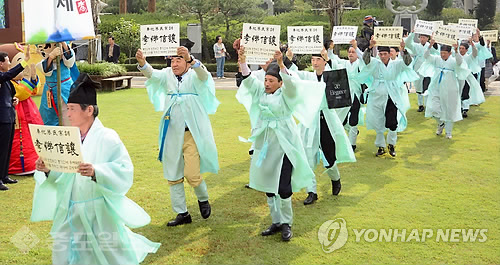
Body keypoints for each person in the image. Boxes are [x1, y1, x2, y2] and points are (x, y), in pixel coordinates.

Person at [31, 73, 160, 264]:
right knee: (64, 253)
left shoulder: (108, 137)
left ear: (89, 110)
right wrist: (48, 168)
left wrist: (96, 171)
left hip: (97, 211)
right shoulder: (69, 138)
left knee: (106, 254)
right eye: (68, 109)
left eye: (72, 109)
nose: (68, 114)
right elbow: (63, 174)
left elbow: (124, 169)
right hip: (70, 208)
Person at [237, 48, 325, 241]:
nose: (267, 84)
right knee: (269, 185)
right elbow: (249, 80)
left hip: (285, 143)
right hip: (265, 142)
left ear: (280, 83)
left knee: (283, 187)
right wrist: (242, 61)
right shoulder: (261, 91)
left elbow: (293, 86)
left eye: (271, 81)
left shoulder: (286, 95)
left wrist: (282, 64)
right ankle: (276, 221)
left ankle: (286, 223)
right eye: (266, 80)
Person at [136, 43, 219, 227]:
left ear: (187, 61)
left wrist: (191, 59)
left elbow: (204, 75)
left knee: (192, 174)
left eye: (178, 59)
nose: (174, 64)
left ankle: (203, 199)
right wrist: (143, 63)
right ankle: (182, 213)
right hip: (171, 133)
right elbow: (152, 74)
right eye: (172, 60)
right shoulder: (167, 75)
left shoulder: (195, 75)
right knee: (173, 175)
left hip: (191, 135)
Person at [284, 45, 356, 205]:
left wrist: (329, 59)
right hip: (310, 120)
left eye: (318, 59)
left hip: (327, 121)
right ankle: (312, 191)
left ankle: (335, 179)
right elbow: (291, 75)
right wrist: (287, 60)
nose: (315, 63)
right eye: (313, 59)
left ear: (324, 61)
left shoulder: (330, 76)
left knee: (330, 157)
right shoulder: (307, 77)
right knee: (308, 155)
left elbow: (339, 79)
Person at [361, 37, 416, 157]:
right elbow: (365, 60)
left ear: (390, 54)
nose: (383, 56)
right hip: (376, 95)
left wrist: (404, 50)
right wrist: (370, 47)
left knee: (392, 122)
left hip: (391, 94)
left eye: (385, 54)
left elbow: (407, 62)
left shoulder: (396, 64)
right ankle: (380, 146)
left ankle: (391, 144)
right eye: (380, 54)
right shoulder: (375, 63)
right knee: (378, 121)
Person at [419, 38, 469, 139]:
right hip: (436, 87)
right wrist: (430, 46)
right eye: (441, 53)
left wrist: (456, 50)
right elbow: (426, 56)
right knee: (433, 108)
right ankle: (440, 123)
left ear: (450, 53)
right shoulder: (437, 59)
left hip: (450, 89)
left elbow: (460, 62)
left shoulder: (453, 61)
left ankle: (448, 132)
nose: (442, 55)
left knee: (449, 110)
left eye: (445, 53)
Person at [327, 39, 368, 152]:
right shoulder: (344, 63)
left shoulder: (360, 63)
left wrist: (356, 47)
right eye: (349, 52)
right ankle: (351, 131)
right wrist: (330, 48)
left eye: (353, 52)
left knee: (353, 118)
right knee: (342, 119)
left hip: (356, 93)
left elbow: (365, 59)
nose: (350, 54)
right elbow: (333, 60)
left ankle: (352, 144)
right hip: (344, 94)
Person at [0, 47, 30, 191]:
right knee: (1, 149)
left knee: (7, 148)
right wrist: (24, 62)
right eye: (7, 61)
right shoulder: (2, 76)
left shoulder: (5, 78)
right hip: (2, 118)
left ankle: (4, 175)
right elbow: (10, 74)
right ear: (1, 63)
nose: (9, 64)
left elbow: (9, 94)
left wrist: (14, 100)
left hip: (9, 116)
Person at [37, 41, 78, 126]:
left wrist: (63, 42)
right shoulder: (43, 62)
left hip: (65, 89)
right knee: (48, 116)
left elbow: (70, 61)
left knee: (68, 115)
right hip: (49, 90)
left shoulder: (65, 61)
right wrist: (51, 57)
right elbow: (46, 71)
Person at [405, 31, 431, 112]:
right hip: (418, 67)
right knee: (418, 86)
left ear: (427, 38)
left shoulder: (430, 46)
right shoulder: (416, 46)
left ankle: (427, 105)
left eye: (424, 37)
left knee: (427, 86)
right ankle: (420, 105)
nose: (422, 39)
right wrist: (412, 33)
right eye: (421, 37)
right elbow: (408, 43)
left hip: (427, 68)